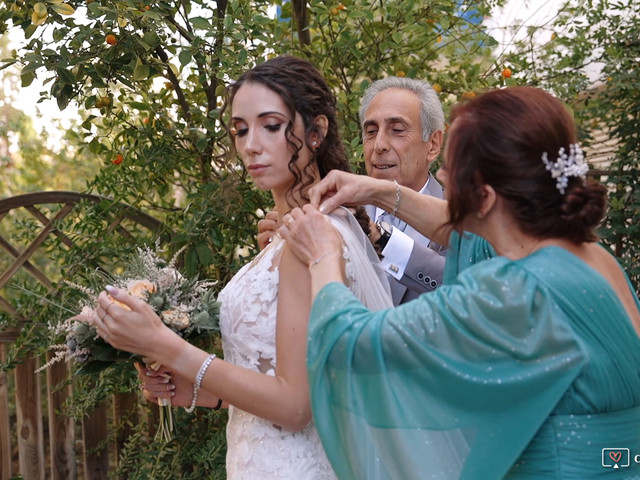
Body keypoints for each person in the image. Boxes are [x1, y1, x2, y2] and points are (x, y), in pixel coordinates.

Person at [279, 86, 640, 479]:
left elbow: (354, 344)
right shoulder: (590, 257)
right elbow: (467, 230)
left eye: (451, 169)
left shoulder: (516, 288)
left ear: (484, 198)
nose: (444, 178)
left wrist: (323, 256)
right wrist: (377, 190)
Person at [93, 55, 392, 479]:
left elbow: (295, 408)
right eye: (240, 129)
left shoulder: (307, 240)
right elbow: (303, 388)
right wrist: (200, 391)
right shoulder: (299, 232)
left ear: (316, 131)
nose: (251, 144)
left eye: (271, 126)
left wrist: (166, 345)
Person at [258, 76, 447, 305]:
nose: (379, 145)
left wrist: (383, 240)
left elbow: (468, 291)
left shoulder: (463, 216)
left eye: (397, 130)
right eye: (371, 131)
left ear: (434, 144)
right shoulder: (334, 211)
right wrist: (278, 255)